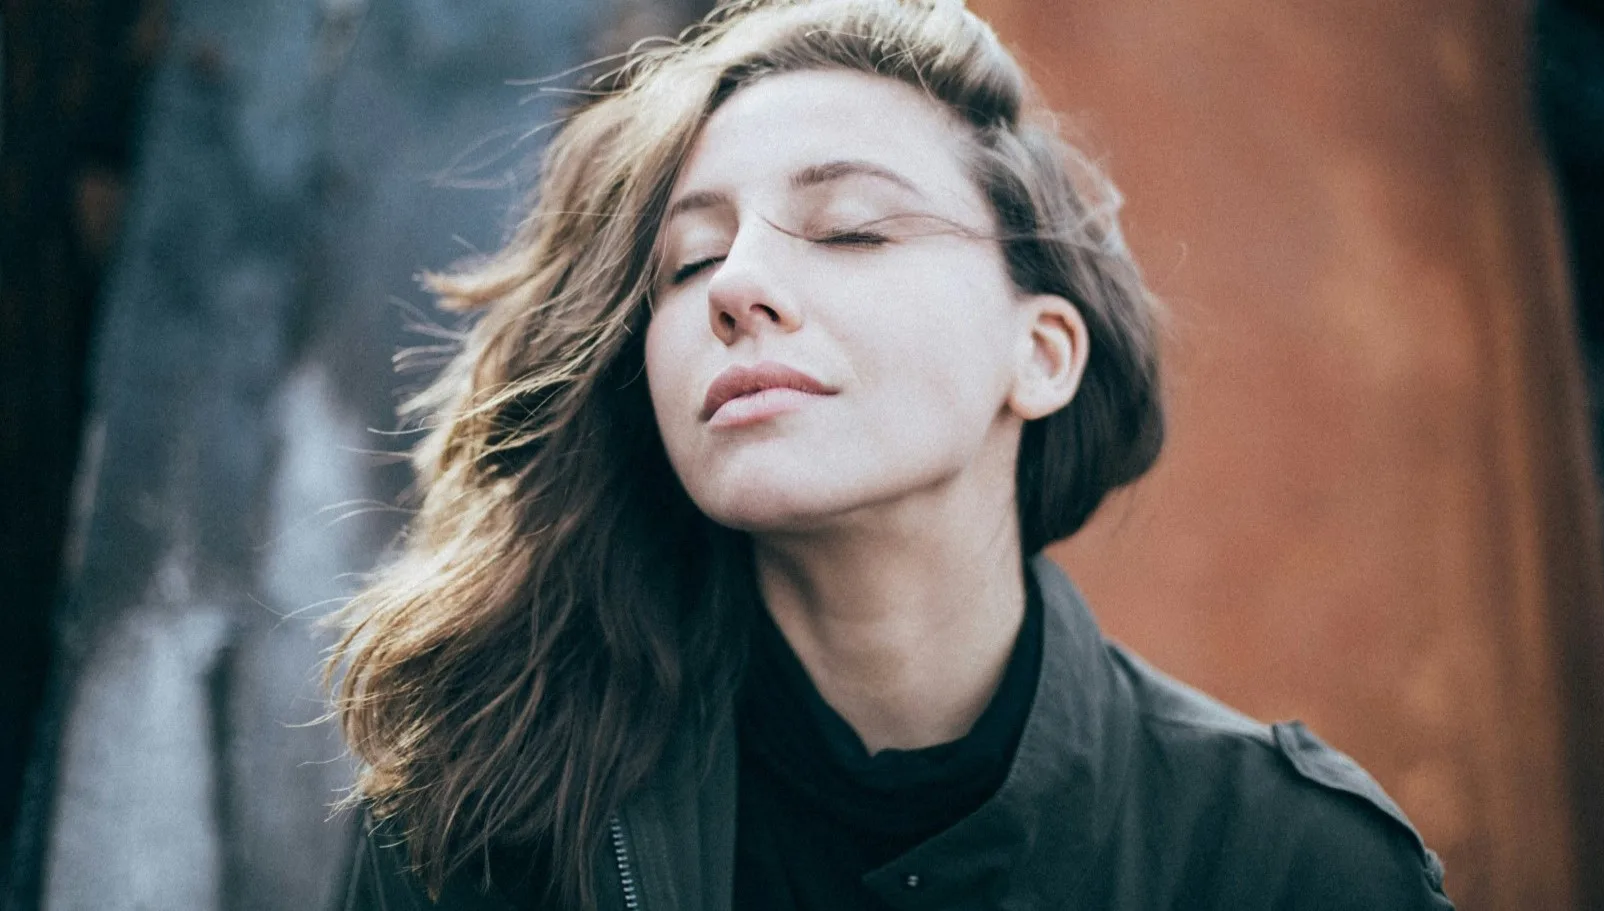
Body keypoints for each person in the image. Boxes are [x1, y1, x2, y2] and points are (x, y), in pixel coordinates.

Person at [327, 1, 1455, 908]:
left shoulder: (1288, 864)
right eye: (685, 261)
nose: (737, 286)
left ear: (1043, 352)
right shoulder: (475, 823)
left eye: (853, 228)